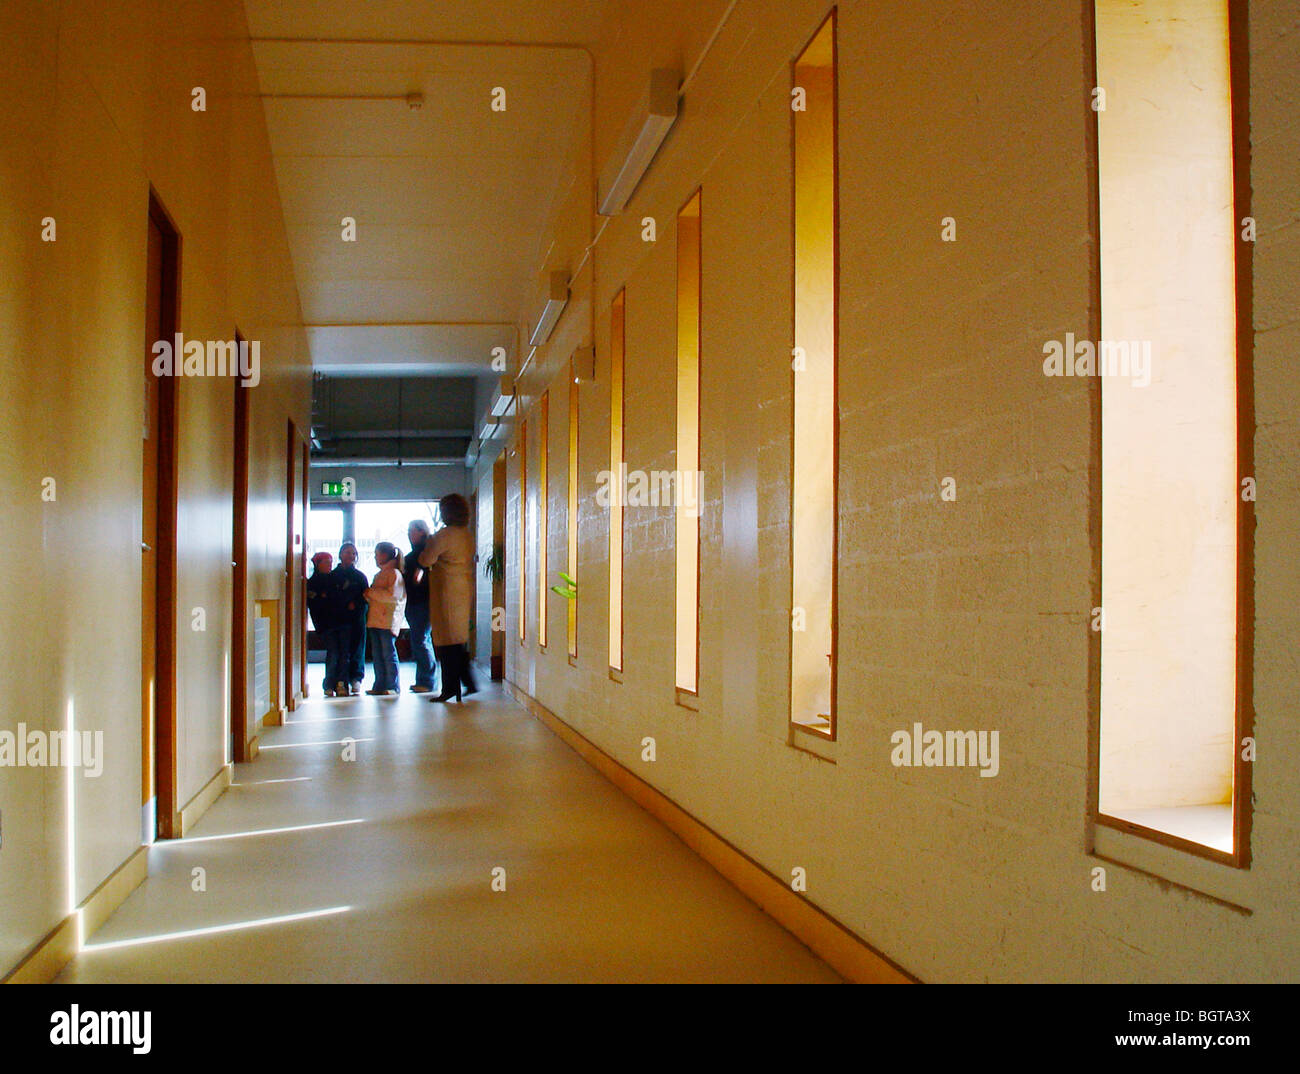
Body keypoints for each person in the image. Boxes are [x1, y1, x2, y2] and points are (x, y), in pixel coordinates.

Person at [419, 493, 478, 703]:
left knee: (446, 641)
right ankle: (466, 683)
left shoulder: (443, 536)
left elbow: (426, 560)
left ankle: (450, 687)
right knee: (458, 639)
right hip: (464, 588)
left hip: (445, 590)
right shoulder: (467, 535)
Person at [363, 542, 406, 696]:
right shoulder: (379, 575)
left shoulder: (394, 574)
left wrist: (371, 593)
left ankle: (392, 685)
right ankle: (379, 684)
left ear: (386, 555)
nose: (375, 557)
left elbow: (392, 596)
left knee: (388, 654)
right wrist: (370, 595)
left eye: (377, 554)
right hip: (375, 620)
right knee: (378, 655)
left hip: (387, 621)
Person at [403, 520, 438, 694]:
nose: (409, 534)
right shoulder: (416, 553)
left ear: (422, 532)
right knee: (421, 640)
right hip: (414, 601)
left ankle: (427, 680)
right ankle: (425, 679)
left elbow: (420, 576)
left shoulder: (425, 554)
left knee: (420, 640)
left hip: (421, 601)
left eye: (412, 530)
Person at [332, 542, 369, 696]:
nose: (350, 556)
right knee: (341, 650)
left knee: (357, 649)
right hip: (339, 619)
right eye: (347, 552)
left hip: (357, 618)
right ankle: (340, 681)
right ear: (340, 555)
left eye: (353, 553)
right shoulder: (333, 576)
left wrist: (357, 604)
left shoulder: (360, 577)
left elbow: (366, 596)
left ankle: (356, 679)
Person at [306, 551, 344, 696]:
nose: (329, 565)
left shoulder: (335, 579)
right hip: (326, 624)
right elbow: (317, 604)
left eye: (330, 561)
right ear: (317, 564)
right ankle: (328, 684)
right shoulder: (312, 583)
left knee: (342, 653)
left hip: (340, 622)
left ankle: (340, 683)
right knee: (333, 652)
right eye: (326, 562)